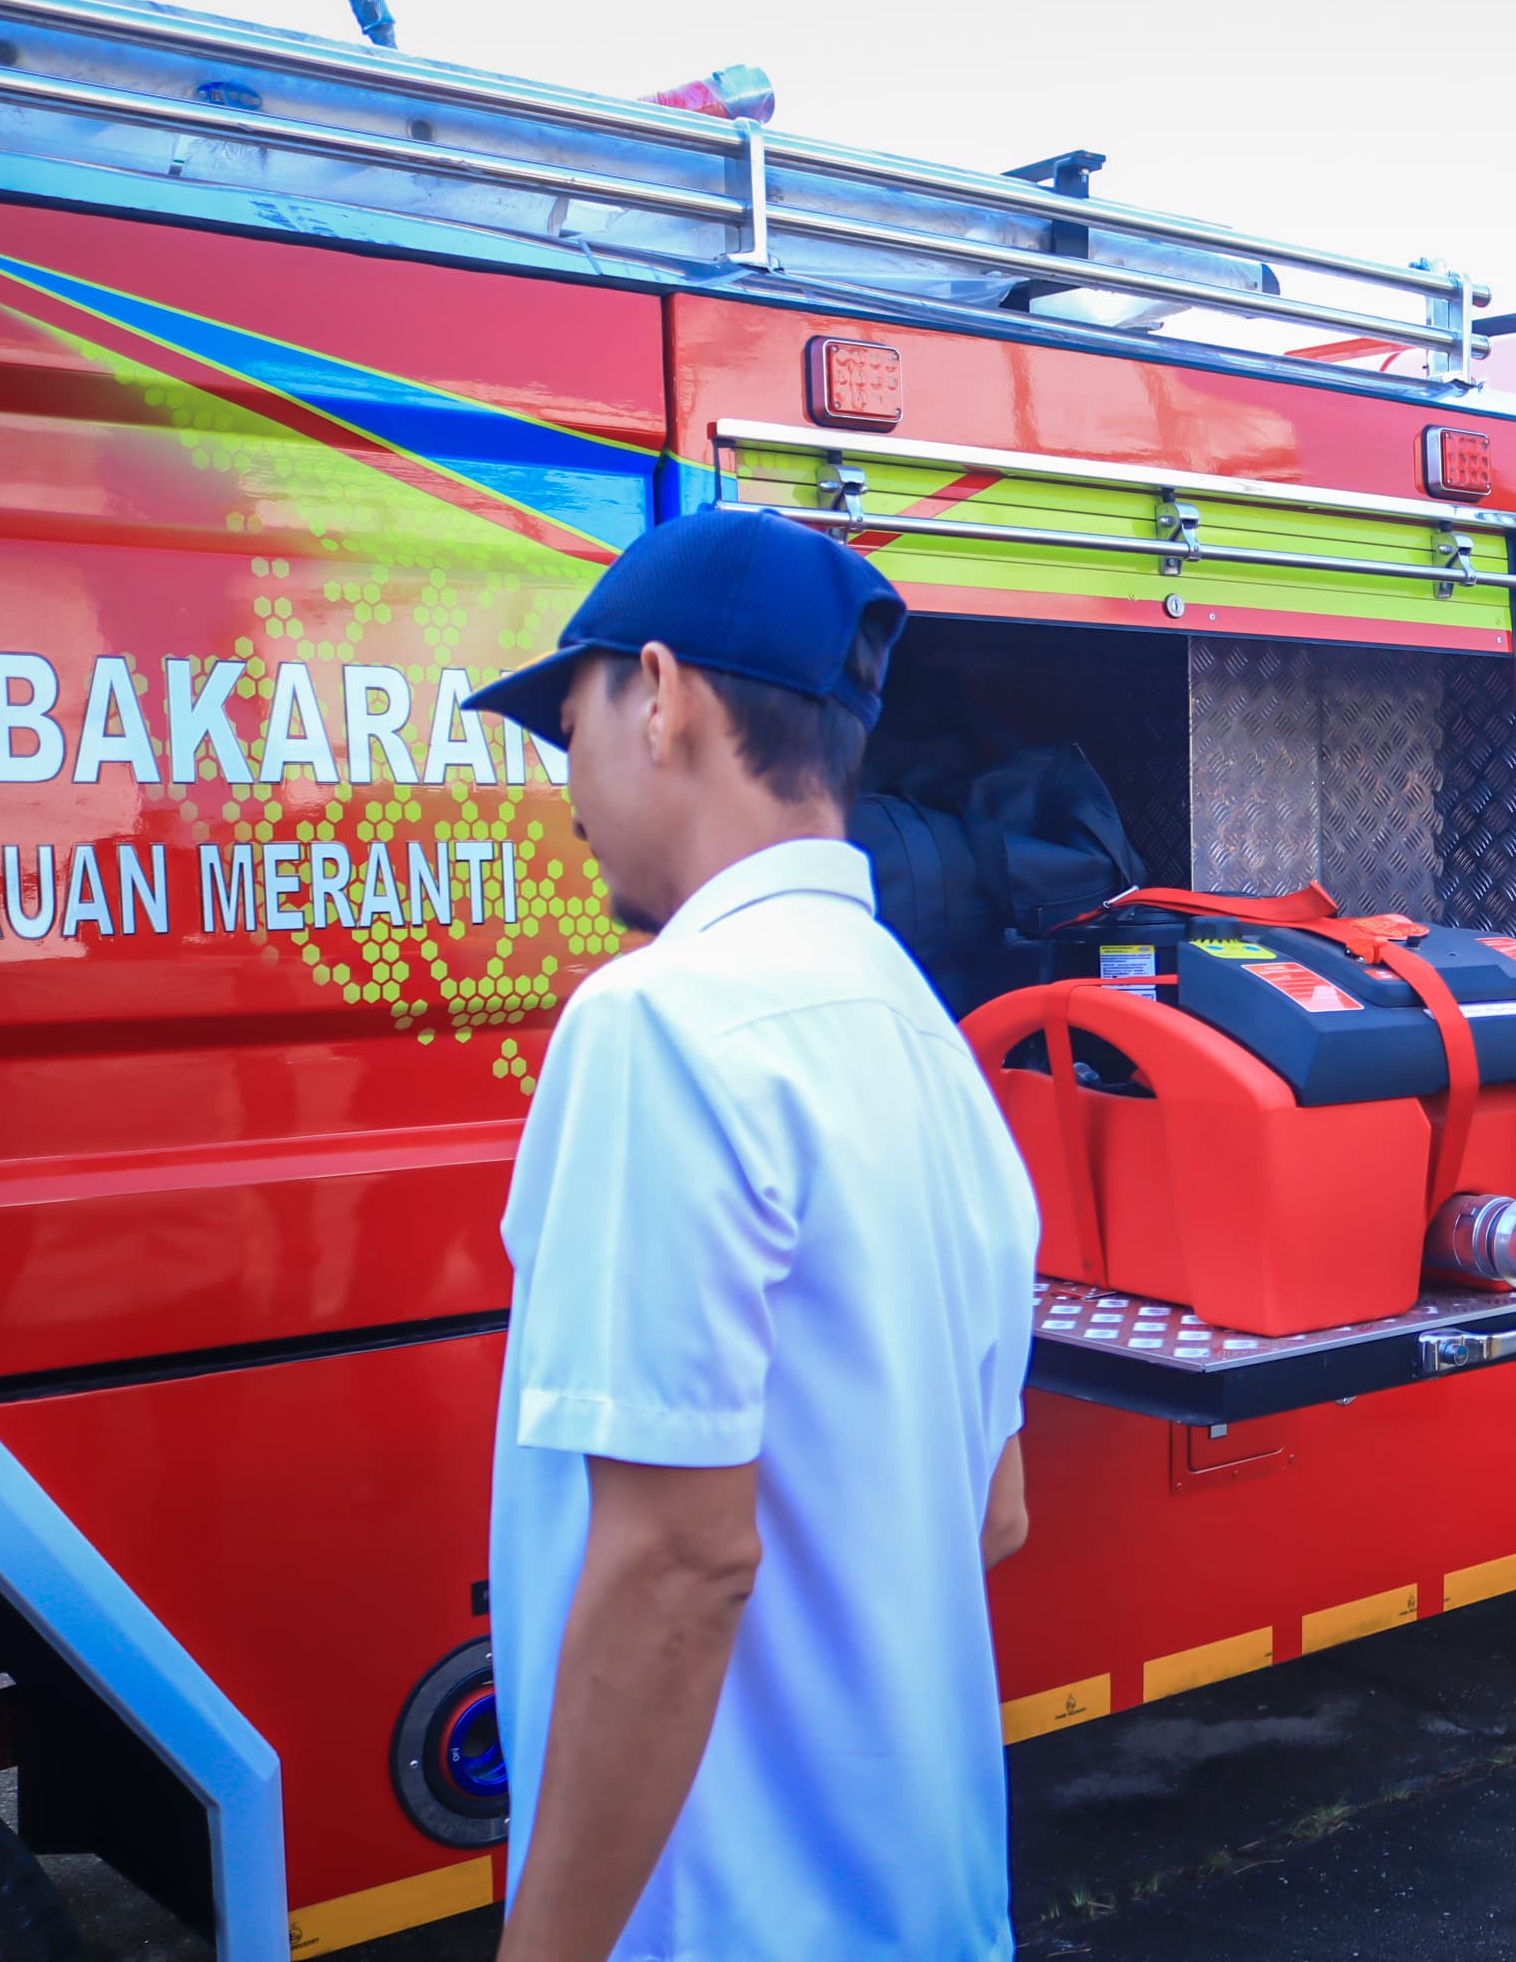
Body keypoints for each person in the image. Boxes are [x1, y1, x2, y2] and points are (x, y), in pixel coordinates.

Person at [462, 508, 1041, 1962]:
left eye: (568, 721)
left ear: (661, 694)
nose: (565, 783)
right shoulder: (926, 1038)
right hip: (925, 1905)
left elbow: (678, 1564)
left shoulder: (661, 1021)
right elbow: (996, 1513)